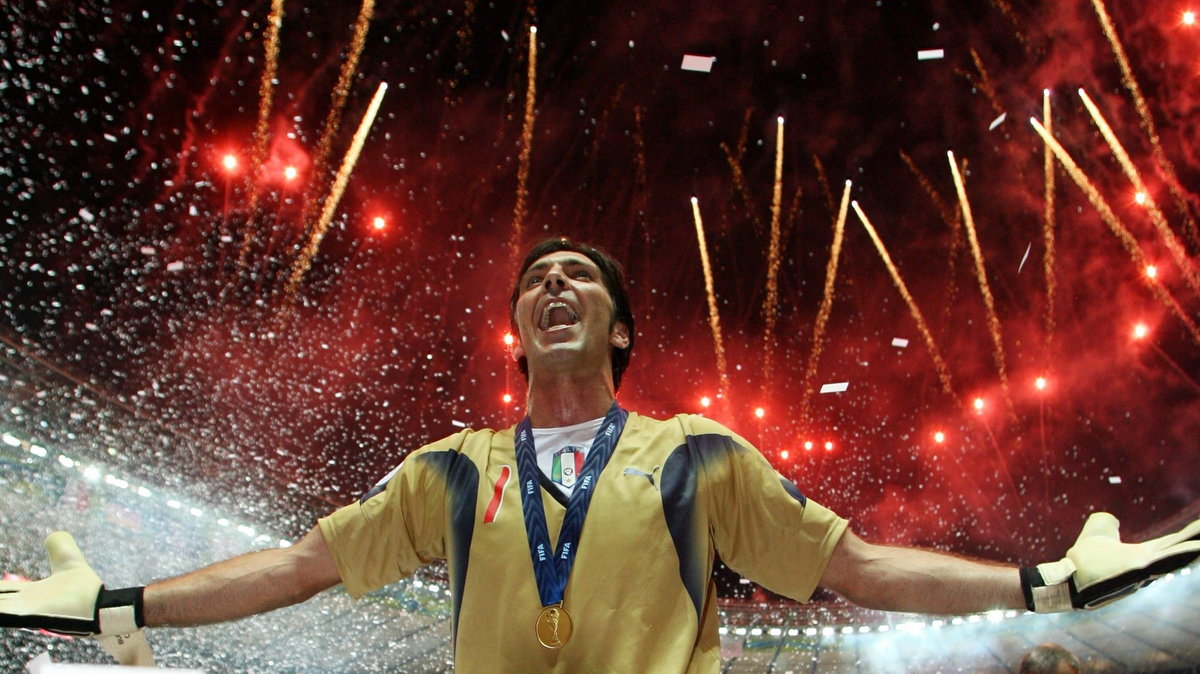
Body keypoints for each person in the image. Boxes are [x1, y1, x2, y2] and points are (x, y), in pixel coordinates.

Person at [1, 237, 1198, 671]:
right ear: (520, 331)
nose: (554, 284)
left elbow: (867, 569)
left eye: (581, 277)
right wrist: (118, 598)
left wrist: (1041, 582)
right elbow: (292, 567)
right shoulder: (451, 467)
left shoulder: (699, 457)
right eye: (536, 280)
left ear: (618, 328)